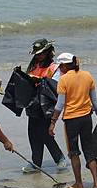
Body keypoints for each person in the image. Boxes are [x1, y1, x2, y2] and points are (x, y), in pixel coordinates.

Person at [49, 53, 97, 188]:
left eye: (60, 66)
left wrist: (53, 122)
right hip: (87, 118)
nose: (60, 69)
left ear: (65, 65)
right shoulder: (88, 76)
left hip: (71, 120)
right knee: (88, 149)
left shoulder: (64, 80)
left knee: (73, 152)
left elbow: (60, 104)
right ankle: (96, 184)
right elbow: (95, 101)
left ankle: (79, 184)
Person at [22, 38, 66, 173]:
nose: (38, 56)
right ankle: (36, 163)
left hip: (46, 105)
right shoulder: (33, 66)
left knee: (44, 133)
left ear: (47, 52)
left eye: (40, 53)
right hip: (33, 105)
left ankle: (59, 158)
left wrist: (42, 81)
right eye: (37, 54)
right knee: (32, 133)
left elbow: (57, 86)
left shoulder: (54, 68)